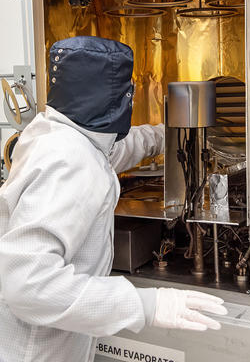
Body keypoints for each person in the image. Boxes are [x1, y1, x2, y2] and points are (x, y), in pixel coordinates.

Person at [0, 36, 227, 362]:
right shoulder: (68, 163)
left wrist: (168, 133)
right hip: (36, 350)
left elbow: (115, 149)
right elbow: (29, 286)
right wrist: (147, 305)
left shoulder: (57, 134)